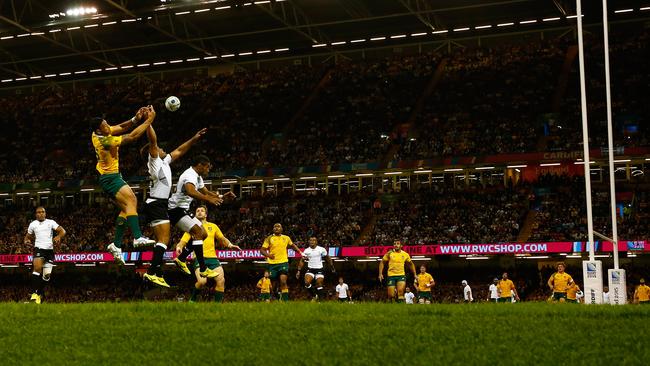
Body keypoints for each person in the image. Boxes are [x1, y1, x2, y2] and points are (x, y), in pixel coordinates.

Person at [140, 124, 207, 287]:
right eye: (160, 148)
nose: (163, 149)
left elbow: (179, 151)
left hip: (159, 204)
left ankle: (155, 272)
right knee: (163, 239)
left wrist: (194, 139)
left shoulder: (164, 162)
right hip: (157, 203)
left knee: (162, 240)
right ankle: (151, 272)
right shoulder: (154, 161)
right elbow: (153, 141)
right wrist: (149, 122)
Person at [91, 106, 157, 264]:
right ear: (99, 130)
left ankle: (116, 245)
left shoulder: (100, 132)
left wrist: (136, 118)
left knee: (126, 209)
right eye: (105, 126)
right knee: (132, 200)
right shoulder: (104, 140)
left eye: (107, 124)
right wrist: (149, 120)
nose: (108, 126)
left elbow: (120, 127)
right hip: (110, 178)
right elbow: (132, 136)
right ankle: (137, 237)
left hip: (110, 177)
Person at [170, 155, 232, 278]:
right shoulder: (189, 175)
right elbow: (191, 191)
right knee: (198, 232)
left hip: (183, 209)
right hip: (176, 209)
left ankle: (181, 259)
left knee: (203, 234)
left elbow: (206, 192)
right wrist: (208, 199)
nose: (208, 170)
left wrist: (221, 197)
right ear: (200, 165)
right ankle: (203, 268)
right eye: (207, 167)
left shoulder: (198, 176)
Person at [175, 205, 241, 302]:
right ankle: (192, 299)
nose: (199, 212)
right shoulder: (192, 227)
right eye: (197, 210)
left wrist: (230, 245)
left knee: (221, 280)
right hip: (199, 258)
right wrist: (179, 246)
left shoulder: (213, 226)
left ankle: (216, 306)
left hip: (213, 258)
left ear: (206, 214)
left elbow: (222, 239)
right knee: (202, 281)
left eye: (202, 210)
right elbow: (183, 241)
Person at [23, 207, 66, 304]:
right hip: (38, 249)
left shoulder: (51, 222)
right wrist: (26, 241)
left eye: (43, 212)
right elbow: (27, 236)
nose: (41, 214)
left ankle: (39, 294)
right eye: (39, 212)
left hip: (49, 251)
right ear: (35, 214)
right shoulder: (33, 224)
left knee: (46, 276)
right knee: (37, 268)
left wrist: (58, 236)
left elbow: (63, 231)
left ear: (45, 213)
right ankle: (34, 294)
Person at [260, 223, 303, 301]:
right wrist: (268, 255)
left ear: (282, 229)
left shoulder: (286, 238)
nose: (276, 228)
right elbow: (262, 250)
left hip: (283, 262)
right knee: (272, 285)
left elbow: (292, 245)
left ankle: (285, 301)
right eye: (275, 227)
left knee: (283, 281)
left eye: (278, 226)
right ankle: (277, 294)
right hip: (272, 264)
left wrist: (300, 252)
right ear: (273, 229)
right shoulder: (269, 238)